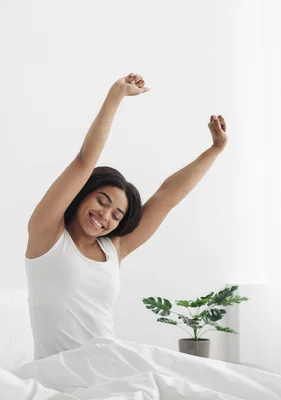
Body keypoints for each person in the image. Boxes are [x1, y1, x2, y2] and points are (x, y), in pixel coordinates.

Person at [24, 73, 228, 360]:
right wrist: (116, 94)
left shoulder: (113, 248)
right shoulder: (47, 235)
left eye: (116, 215)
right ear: (84, 193)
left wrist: (215, 150)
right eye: (102, 201)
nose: (104, 216)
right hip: (56, 372)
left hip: (109, 364)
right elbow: (85, 160)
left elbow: (167, 197)